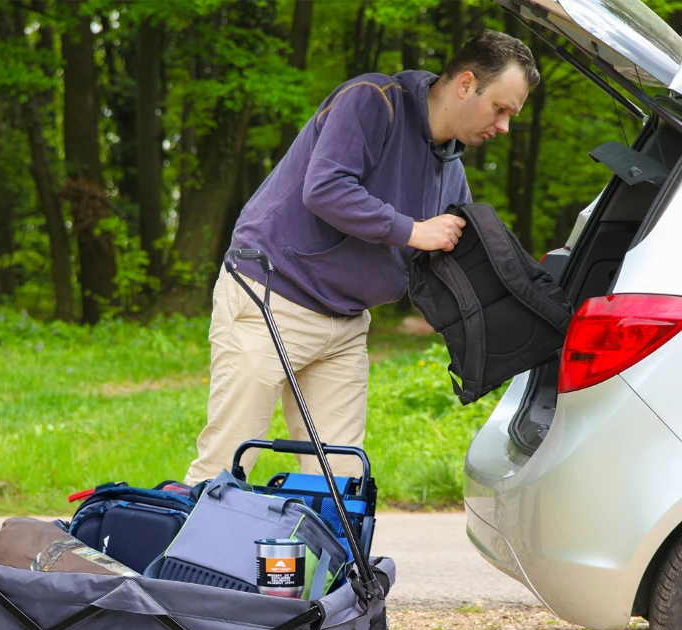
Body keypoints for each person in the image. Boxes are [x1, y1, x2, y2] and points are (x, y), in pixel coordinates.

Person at [185, 30, 539, 487]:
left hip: (347, 323)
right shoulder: (373, 101)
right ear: (466, 84)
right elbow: (326, 189)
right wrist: (412, 230)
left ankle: (329, 561)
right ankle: (183, 556)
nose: (505, 125)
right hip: (271, 297)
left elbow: (450, 256)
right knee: (228, 460)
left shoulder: (451, 169)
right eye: (502, 109)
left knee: (340, 478)